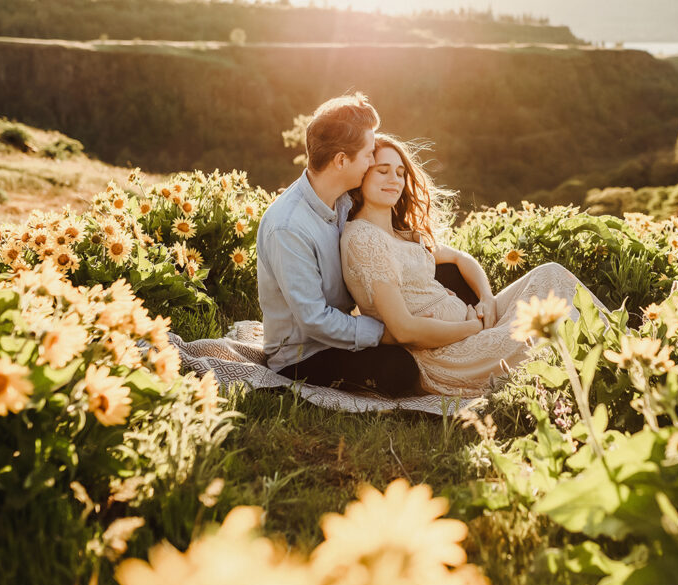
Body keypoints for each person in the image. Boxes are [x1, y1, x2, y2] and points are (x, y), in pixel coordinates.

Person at [340, 134, 607, 396]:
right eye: (382, 171)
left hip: (471, 325)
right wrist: (471, 328)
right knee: (550, 330)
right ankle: (610, 360)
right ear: (362, 176)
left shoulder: (401, 235)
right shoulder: (364, 239)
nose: (394, 180)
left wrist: (487, 298)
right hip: (445, 353)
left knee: (551, 274)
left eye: (399, 172)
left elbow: (460, 257)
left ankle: (616, 342)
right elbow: (403, 329)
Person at [257, 93, 427, 396]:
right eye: (368, 155)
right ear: (341, 161)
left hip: (345, 333)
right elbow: (315, 320)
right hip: (304, 356)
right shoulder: (288, 227)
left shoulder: (346, 200)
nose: (373, 162)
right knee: (402, 370)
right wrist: (385, 334)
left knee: (451, 284)